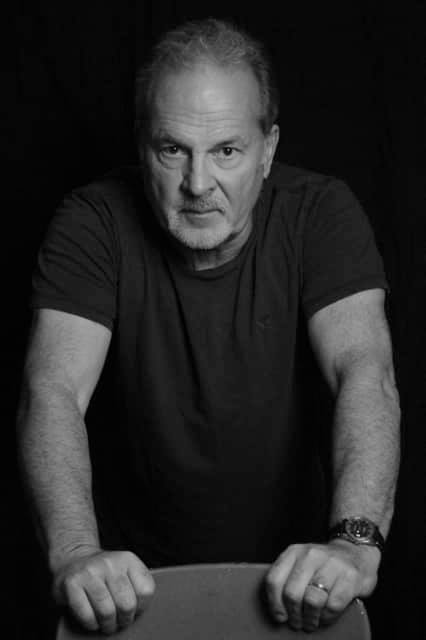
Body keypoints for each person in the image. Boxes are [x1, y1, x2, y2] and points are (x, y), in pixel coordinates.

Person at [17, 17, 400, 636]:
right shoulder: (93, 222)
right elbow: (53, 389)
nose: (198, 185)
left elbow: (364, 371)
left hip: (297, 582)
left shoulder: (320, 214)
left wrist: (354, 543)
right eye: (173, 150)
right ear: (143, 146)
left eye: (227, 151)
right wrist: (76, 553)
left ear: (267, 150)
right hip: (130, 590)